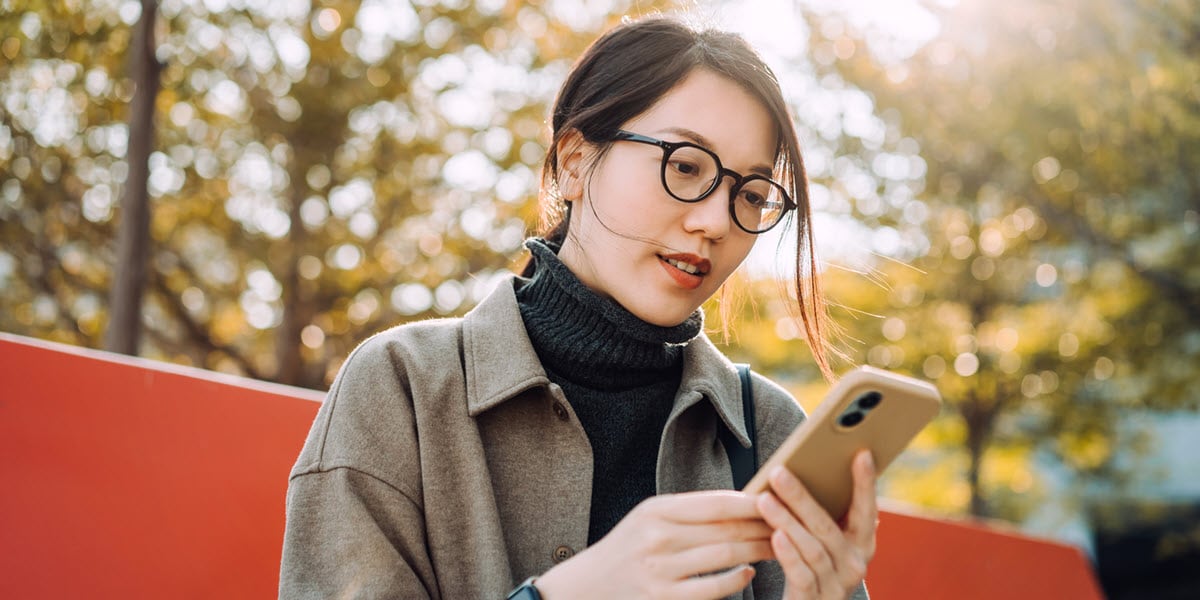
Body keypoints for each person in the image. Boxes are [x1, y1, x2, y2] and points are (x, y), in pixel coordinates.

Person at [280, 14, 876, 600]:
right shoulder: (401, 388)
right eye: (686, 166)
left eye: (749, 194)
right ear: (573, 161)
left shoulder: (767, 432)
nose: (717, 222)